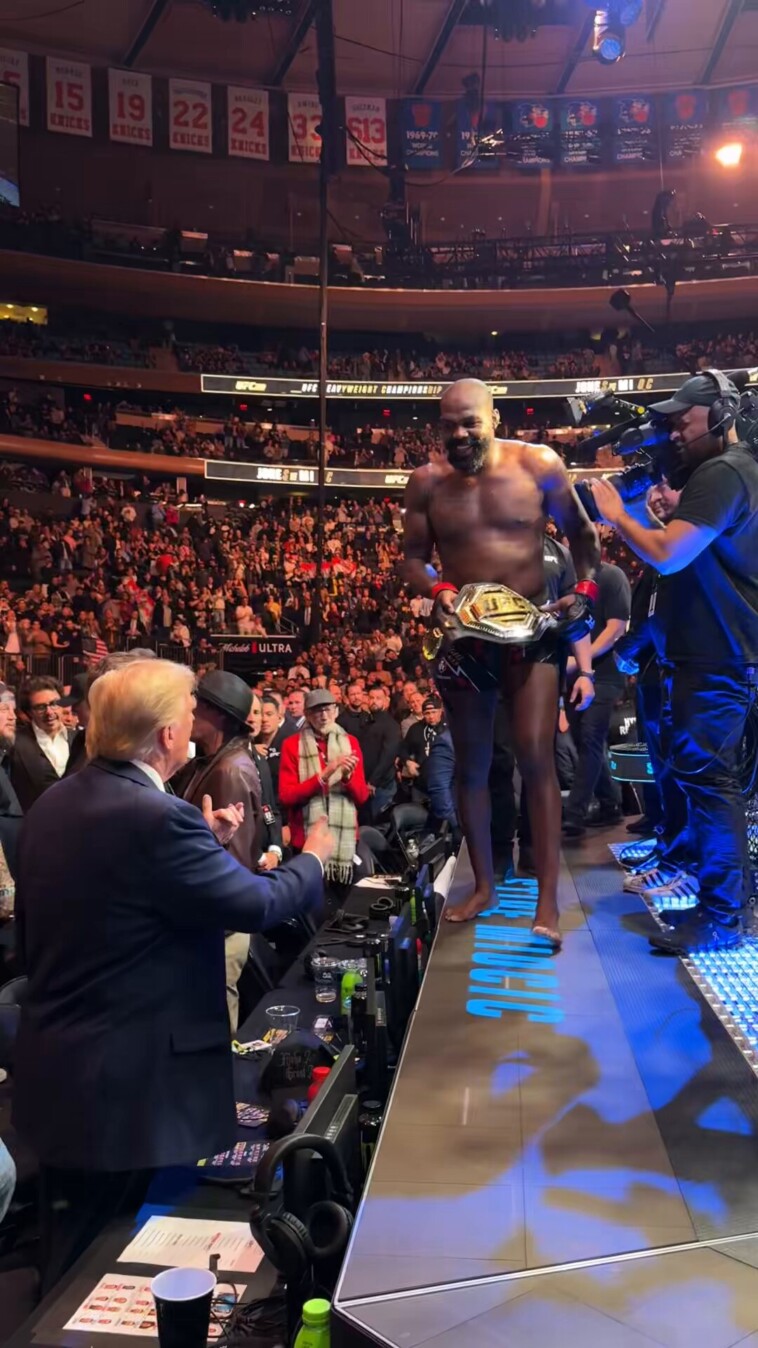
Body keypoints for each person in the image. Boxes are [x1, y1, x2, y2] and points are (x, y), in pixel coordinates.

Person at [13, 658, 333, 1291]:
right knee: (109, 1269)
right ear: (165, 733)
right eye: (190, 704)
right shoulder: (157, 819)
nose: (197, 715)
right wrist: (314, 858)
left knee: (69, 1256)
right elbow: (259, 904)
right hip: (132, 1091)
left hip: (61, 1076)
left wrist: (202, 847)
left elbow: (110, 908)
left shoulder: (55, 803)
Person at [403, 378, 599, 942]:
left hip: (533, 631)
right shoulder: (427, 483)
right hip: (465, 636)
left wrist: (585, 592)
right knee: (472, 764)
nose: (459, 434)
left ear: (493, 417)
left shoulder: (539, 464)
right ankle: (484, 884)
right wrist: (437, 589)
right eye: (448, 425)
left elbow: (583, 536)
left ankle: (548, 901)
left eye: (469, 422)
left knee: (536, 758)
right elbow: (412, 558)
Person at [590, 371, 758, 953]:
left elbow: (667, 554)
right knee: (709, 783)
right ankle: (723, 908)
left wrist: (618, 514)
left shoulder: (723, 471)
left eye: (684, 418)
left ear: (720, 414)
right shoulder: (730, 473)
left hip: (717, 656)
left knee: (711, 785)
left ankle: (722, 917)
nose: (675, 430)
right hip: (718, 653)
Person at [178, 670, 269, 1031]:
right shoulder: (215, 761)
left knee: (215, 1022)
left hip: (220, 927)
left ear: (215, 714)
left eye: (192, 704)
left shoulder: (230, 770)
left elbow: (231, 860)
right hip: (215, 921)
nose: (185, 712)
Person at [561, 558, 631, 837]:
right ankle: (611, 803)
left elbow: (616, 629)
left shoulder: (612, 576)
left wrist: (581, 660)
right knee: (585, 740)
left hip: (605, 674)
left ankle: (574, 812)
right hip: (573, 673)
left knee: (590, 736)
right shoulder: (568, 583)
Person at [279, 688, 368, 885]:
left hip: (343, 838)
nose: (324, 715)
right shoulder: (292, 745)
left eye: (328, 709)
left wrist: (347, 778)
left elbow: (362, 796)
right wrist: (323, 777)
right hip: (306, 839)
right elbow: (286, 796)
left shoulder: (351, 742)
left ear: (336, 711)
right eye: (317, 711)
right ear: (308, 715)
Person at [10, 677, 75, 812]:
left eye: (54, 704)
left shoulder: (80, 739)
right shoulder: (14, 743)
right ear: (28, 712)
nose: (49, 712)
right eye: (40, 707)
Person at [356, 685, 401, 823]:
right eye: (371, 698)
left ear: (386, 701)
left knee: (379, 826)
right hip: (366, 784)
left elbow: (388, 756)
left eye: (378, 698)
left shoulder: (391, 725)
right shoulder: (366, 723)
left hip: (381, 785)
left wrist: (373, 782)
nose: (374, 701)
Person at [398, 693, 446, 800]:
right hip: (421, 784)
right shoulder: (415, 729)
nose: (431, 716)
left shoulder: (449, 729)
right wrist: (408, 762)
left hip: (445, 783)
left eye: (434, 712)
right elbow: (402, 749)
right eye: (427, 713)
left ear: (440, 712)